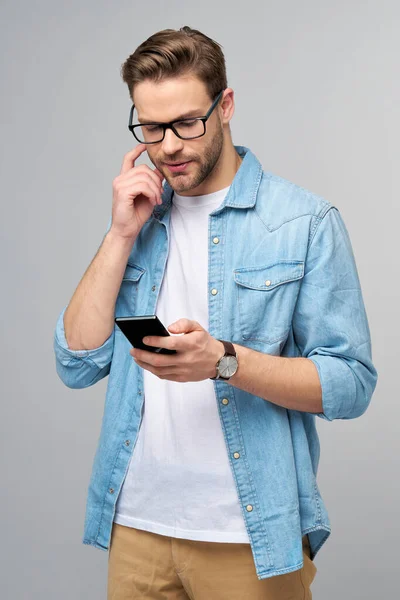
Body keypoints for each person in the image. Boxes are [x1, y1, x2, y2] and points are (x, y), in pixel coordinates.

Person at [53, 26, 378, 600]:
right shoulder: (140, 222)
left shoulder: (303, 223)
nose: (169, 145)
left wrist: (224, 361)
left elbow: (350, 385)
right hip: (136, 527)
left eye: (186, 123)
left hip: (247, 534)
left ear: (225, 106)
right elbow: (76, 361)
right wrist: (119, 233)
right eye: (151, 127)